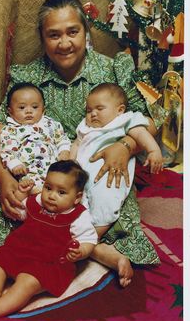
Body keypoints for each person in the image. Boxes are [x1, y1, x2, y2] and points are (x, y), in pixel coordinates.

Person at [0, 0, 166, 287]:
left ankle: (78, 247)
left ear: (86, 32)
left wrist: (125, 146)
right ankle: (87, 251)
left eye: (72, 32)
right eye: (53, 35)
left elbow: (147, 120)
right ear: (42, 38)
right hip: (45, 175)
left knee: (106, 214)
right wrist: (4, 179)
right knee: (17, 212)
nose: (64, 43)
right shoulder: (28, 76)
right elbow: (1, 126)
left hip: (97, 172)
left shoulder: (111, 69)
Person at [0, 160, 98, 321]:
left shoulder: (78, 216)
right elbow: (17, 213)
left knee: (27, 282)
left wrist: (81, 251)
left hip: (48, 264)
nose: (51, 196)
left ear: (77, 197)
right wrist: (21, 194)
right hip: (19, 251)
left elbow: (89, 239)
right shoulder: (37, 201)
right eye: (48, 188)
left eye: (61, 192)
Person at [70, 82, 163, 241]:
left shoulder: (124, 120)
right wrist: (70, 162)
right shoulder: (86, 126)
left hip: (109, 173)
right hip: (80, 174)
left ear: (119, 110)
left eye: (100, 109)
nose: (93, 114)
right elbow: (77, 143)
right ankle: (75, 233)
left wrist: (153, 150)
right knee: (75, 204)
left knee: (105, 200)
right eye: (89, 110)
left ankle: (93, 236)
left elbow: (141, 134)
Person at [0, 81, 71, 204]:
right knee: (22, 191)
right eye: (22, 108)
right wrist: (15, 164)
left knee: (65, 185)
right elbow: (6, 151)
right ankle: (25, 207)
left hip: (54, 169)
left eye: (34, 107)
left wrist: (64, 151)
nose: (28, 111)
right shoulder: (10, 130)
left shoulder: (50, 123)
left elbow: (62, 138)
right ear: (10, 111)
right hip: (29, 172)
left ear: (43, 109)